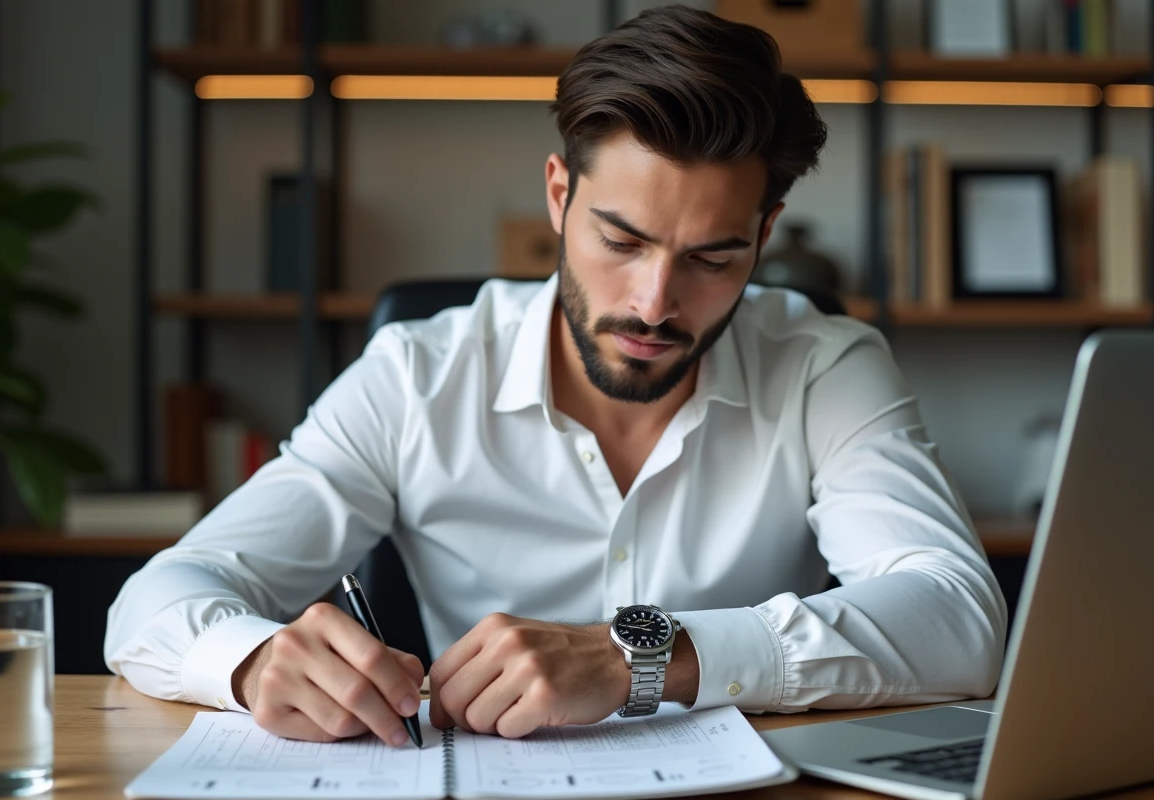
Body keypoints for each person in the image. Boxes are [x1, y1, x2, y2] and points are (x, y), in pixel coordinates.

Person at [105, 5, 1006, 747]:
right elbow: (156, 600)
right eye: (621, 241)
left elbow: (960, 619)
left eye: (712, 257)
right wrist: (254, 661)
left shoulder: (825, 365)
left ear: (765, 236)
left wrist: (646, 656)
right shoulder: (417, 376)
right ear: (558, 196)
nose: (655, 303)